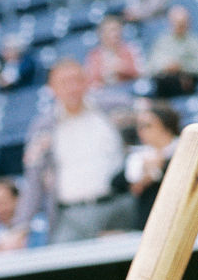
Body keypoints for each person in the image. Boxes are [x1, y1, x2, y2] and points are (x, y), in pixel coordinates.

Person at [11, 58, 135, 246]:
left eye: (77, 80)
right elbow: (34, 178)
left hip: (121, 206)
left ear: (87, 81)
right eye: (64, 82)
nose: (72, 88)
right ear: (52, 88)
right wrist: (21, 227)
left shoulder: (116, 107)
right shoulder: (42, 128)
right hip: (71, 215)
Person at [116, 101, 181, 229]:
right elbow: (117, 183)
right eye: (139, 126)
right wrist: (144, 175)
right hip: (151, 222)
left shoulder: (185, 150)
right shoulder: (139, 157)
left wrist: (161, 166)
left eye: (147, 126)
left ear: (165, 125)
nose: (141, 131)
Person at [146, 5, 198, 98]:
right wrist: (166, 66)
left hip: (186, 79)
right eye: (177, 23)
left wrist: (182, 66)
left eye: (183, 23)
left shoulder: (194, 42)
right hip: (163, 79)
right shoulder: (162, 41)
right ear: (170, 22)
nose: (180, 26)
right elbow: (151, 65)